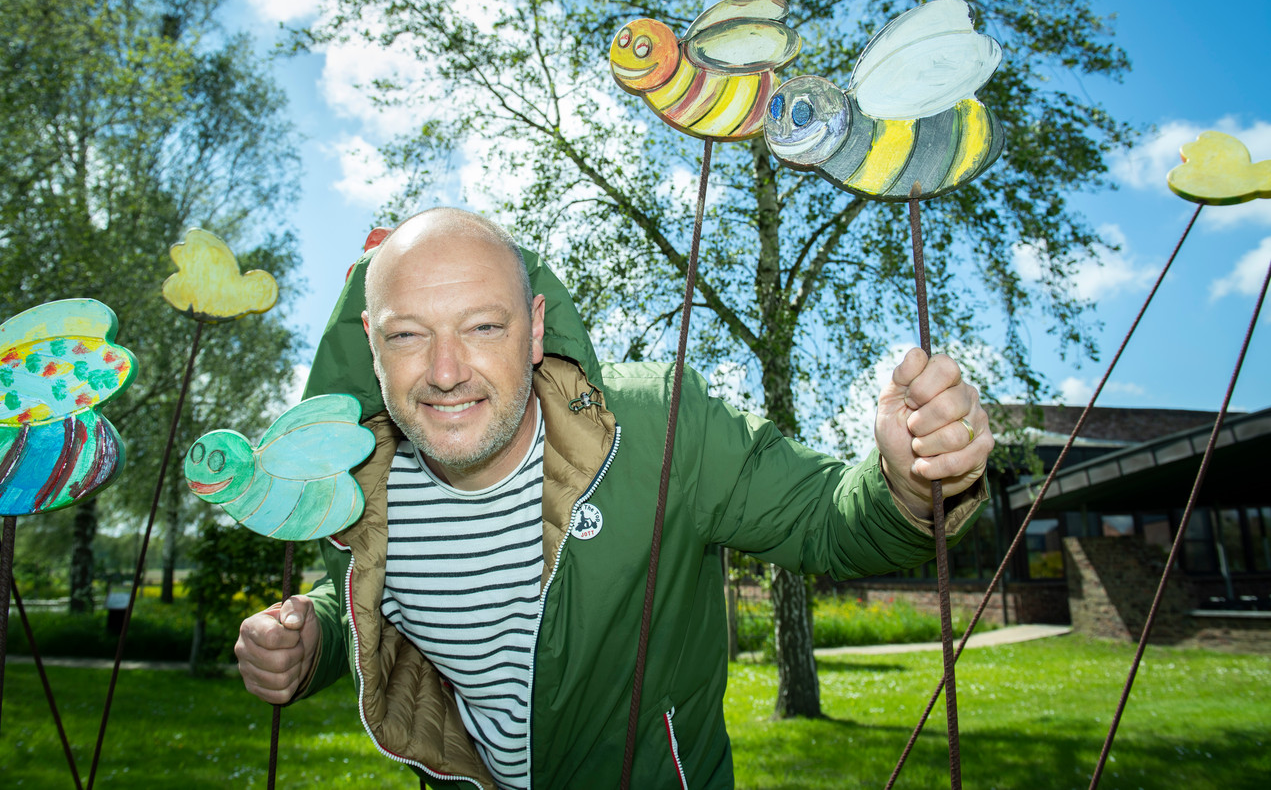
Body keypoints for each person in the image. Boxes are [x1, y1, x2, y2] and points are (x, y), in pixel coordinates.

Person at [235, 208, 993, 790]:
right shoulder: (354, 489)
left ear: (534, 327)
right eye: (407, 336)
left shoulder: (663, 426)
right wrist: (311, 641)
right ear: (371, 342)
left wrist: (906, 482)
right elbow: (368, 601)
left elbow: (826, 521)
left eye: (483, 326)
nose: (445, 370)